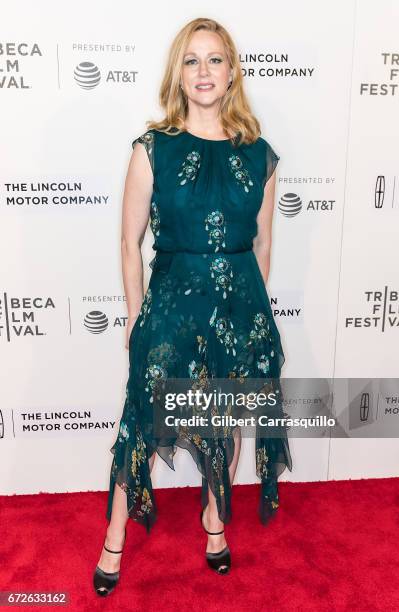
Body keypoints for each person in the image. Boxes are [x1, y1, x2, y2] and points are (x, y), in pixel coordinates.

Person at [93, 16, 292, 596]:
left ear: (232, 73)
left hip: (240, 310)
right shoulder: (152, 148)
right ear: (178, 75)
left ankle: (214, 522)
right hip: (172, 308)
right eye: (192, 60)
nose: (204, 71)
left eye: (215, 59)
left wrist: (257, 317)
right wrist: (134, 315)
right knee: (141, 426)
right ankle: (113, 537)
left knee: (224, 424)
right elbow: (129, 241)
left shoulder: (260, 156)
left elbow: (263, 243)